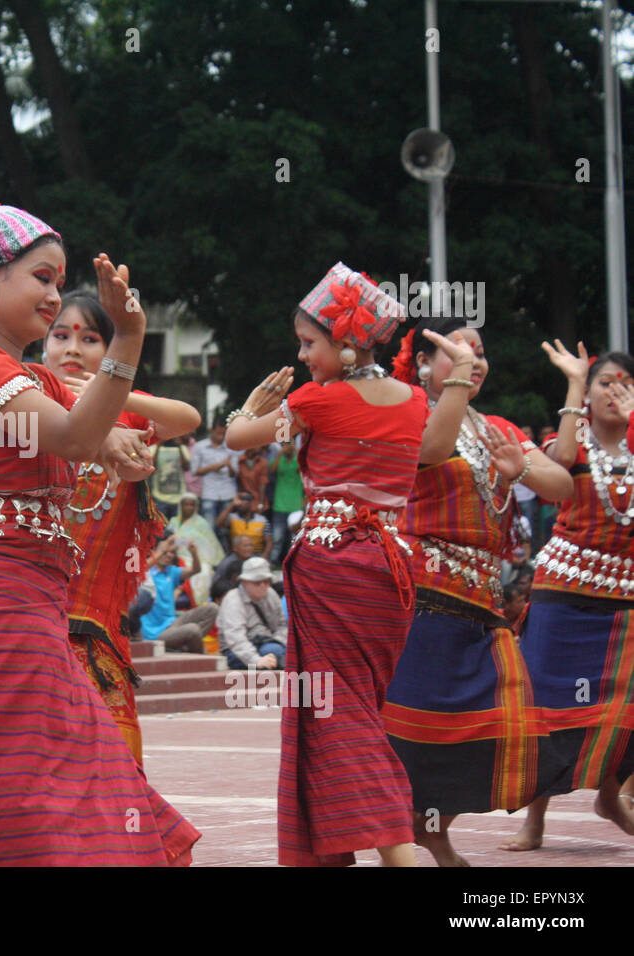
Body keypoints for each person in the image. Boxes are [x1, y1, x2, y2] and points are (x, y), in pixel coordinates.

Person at [0, 201, 199, 866]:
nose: (53, 295)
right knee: (32, 814)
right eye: (42, 278)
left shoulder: (33, 379)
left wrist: (119, 444)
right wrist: (126, 345)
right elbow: (80, 434)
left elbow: (117, 427)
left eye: (59, 280)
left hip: (31, 610)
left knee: (98, 794)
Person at [226, 261, 473, 867]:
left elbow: (239, 440)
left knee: (341, 714)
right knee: (357, 706)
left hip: (333, 567)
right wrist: (461, 380)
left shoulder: (319, 400)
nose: (304, 355)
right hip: (389, 575)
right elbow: (437, 448)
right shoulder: (413, 400)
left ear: (346, 340)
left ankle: (399, 852)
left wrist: (250, 408)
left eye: (310, 342)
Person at [380, 315, 574, 866]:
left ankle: (427, 827)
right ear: (422, 363)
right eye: (457, 349)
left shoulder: (496, 428)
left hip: (481, 603)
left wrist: (521, 471)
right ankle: (415, 836)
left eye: (479, 350)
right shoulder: (411, 413)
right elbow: (432, 453)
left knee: (502, 718)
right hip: (422, 596)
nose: (475, 359)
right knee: (413, 730)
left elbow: (561, 486)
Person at [44, 289, 201, 765]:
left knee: (113, 762)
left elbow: (188, 419)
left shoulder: (124, 409)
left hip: (96, 618)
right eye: (61, 335)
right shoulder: (28, 398)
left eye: (90, 338)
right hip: (33, 608)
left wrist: (111, 393)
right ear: (43, 342)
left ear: (112, 352)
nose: (72, 348)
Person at [503, 345, 634, 851]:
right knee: (551, 705)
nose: (614, 391)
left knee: (618, 707)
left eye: (624, 383)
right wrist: (575, 384)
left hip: (625, 598)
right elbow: (556, 475)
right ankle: (534, 820)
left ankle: (610, 795)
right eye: (604, 382)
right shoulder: (571, 443)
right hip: (565, 593)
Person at [138, 535, 219, 654]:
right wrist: (161, 551)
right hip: (154, 634)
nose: (169, 554)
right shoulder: (145, 573)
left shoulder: (171, 571)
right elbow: (138, 571)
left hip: (172, 624)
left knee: (212, 608)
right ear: (154, 552)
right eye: (165, 551)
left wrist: (193, 553)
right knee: (193, 629)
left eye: (172, 552)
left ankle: (182, 646)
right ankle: (190, 650)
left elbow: (196, 570)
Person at [216, 556, 287, 670]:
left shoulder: (271, 594)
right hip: (236, 651)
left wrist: (277, 642)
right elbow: (236, 638)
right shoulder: (233, 600)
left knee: (275, 650)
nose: (263, 585)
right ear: (244, 582)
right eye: (257, 582)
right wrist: (256, 660)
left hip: (268, 643)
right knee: (271, 653)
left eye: (266, 581)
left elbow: (282, 625)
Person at [192, 422, 238, 537]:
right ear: (211, 430)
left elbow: (235, 474)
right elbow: (195, 471)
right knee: (209, 527)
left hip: (228, 493)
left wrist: (229, 465)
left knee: (225, 529)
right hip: (209, 493)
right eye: (219, 433)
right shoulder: (200, 446)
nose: (221, 436)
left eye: (224, 433)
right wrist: (215, 466)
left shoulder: (231, 447)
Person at [269, 440, 303, 563]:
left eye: (290, 444)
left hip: (295, 505)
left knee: (294, 538)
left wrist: (296, 450)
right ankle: (273, 561)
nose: (288, 447)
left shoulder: (297, 460)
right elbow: (272, 470)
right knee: (277, 537)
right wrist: (279, 454)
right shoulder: (279, 460)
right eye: (286, 445)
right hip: (279, 505)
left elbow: (304, 467)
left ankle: (292, 562)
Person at [216, 491, 270, 557]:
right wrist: (232, 505)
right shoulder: (232, 517)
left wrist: (263, 557)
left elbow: (269, 542)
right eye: (239, 498)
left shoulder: (262, 520)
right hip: (236, 555)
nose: (240, 502)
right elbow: (219, 523)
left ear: (251, 502)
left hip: (256, 554)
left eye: (244, 498)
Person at [148, 436, 189, 520]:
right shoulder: (153, 449)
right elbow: (151, 468)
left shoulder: (182, 448)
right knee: (160, 528)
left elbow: (186, 467)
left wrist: (180, 446)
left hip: (178, 497)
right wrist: (158, 446)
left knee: (176, 528)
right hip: (159, 497)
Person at [211, 533, 256, 601]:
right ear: (235, 548)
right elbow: (216, 584)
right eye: (245, 546)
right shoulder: (226, 564)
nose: (249, 548)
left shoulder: (255, 561)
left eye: (251, 545)